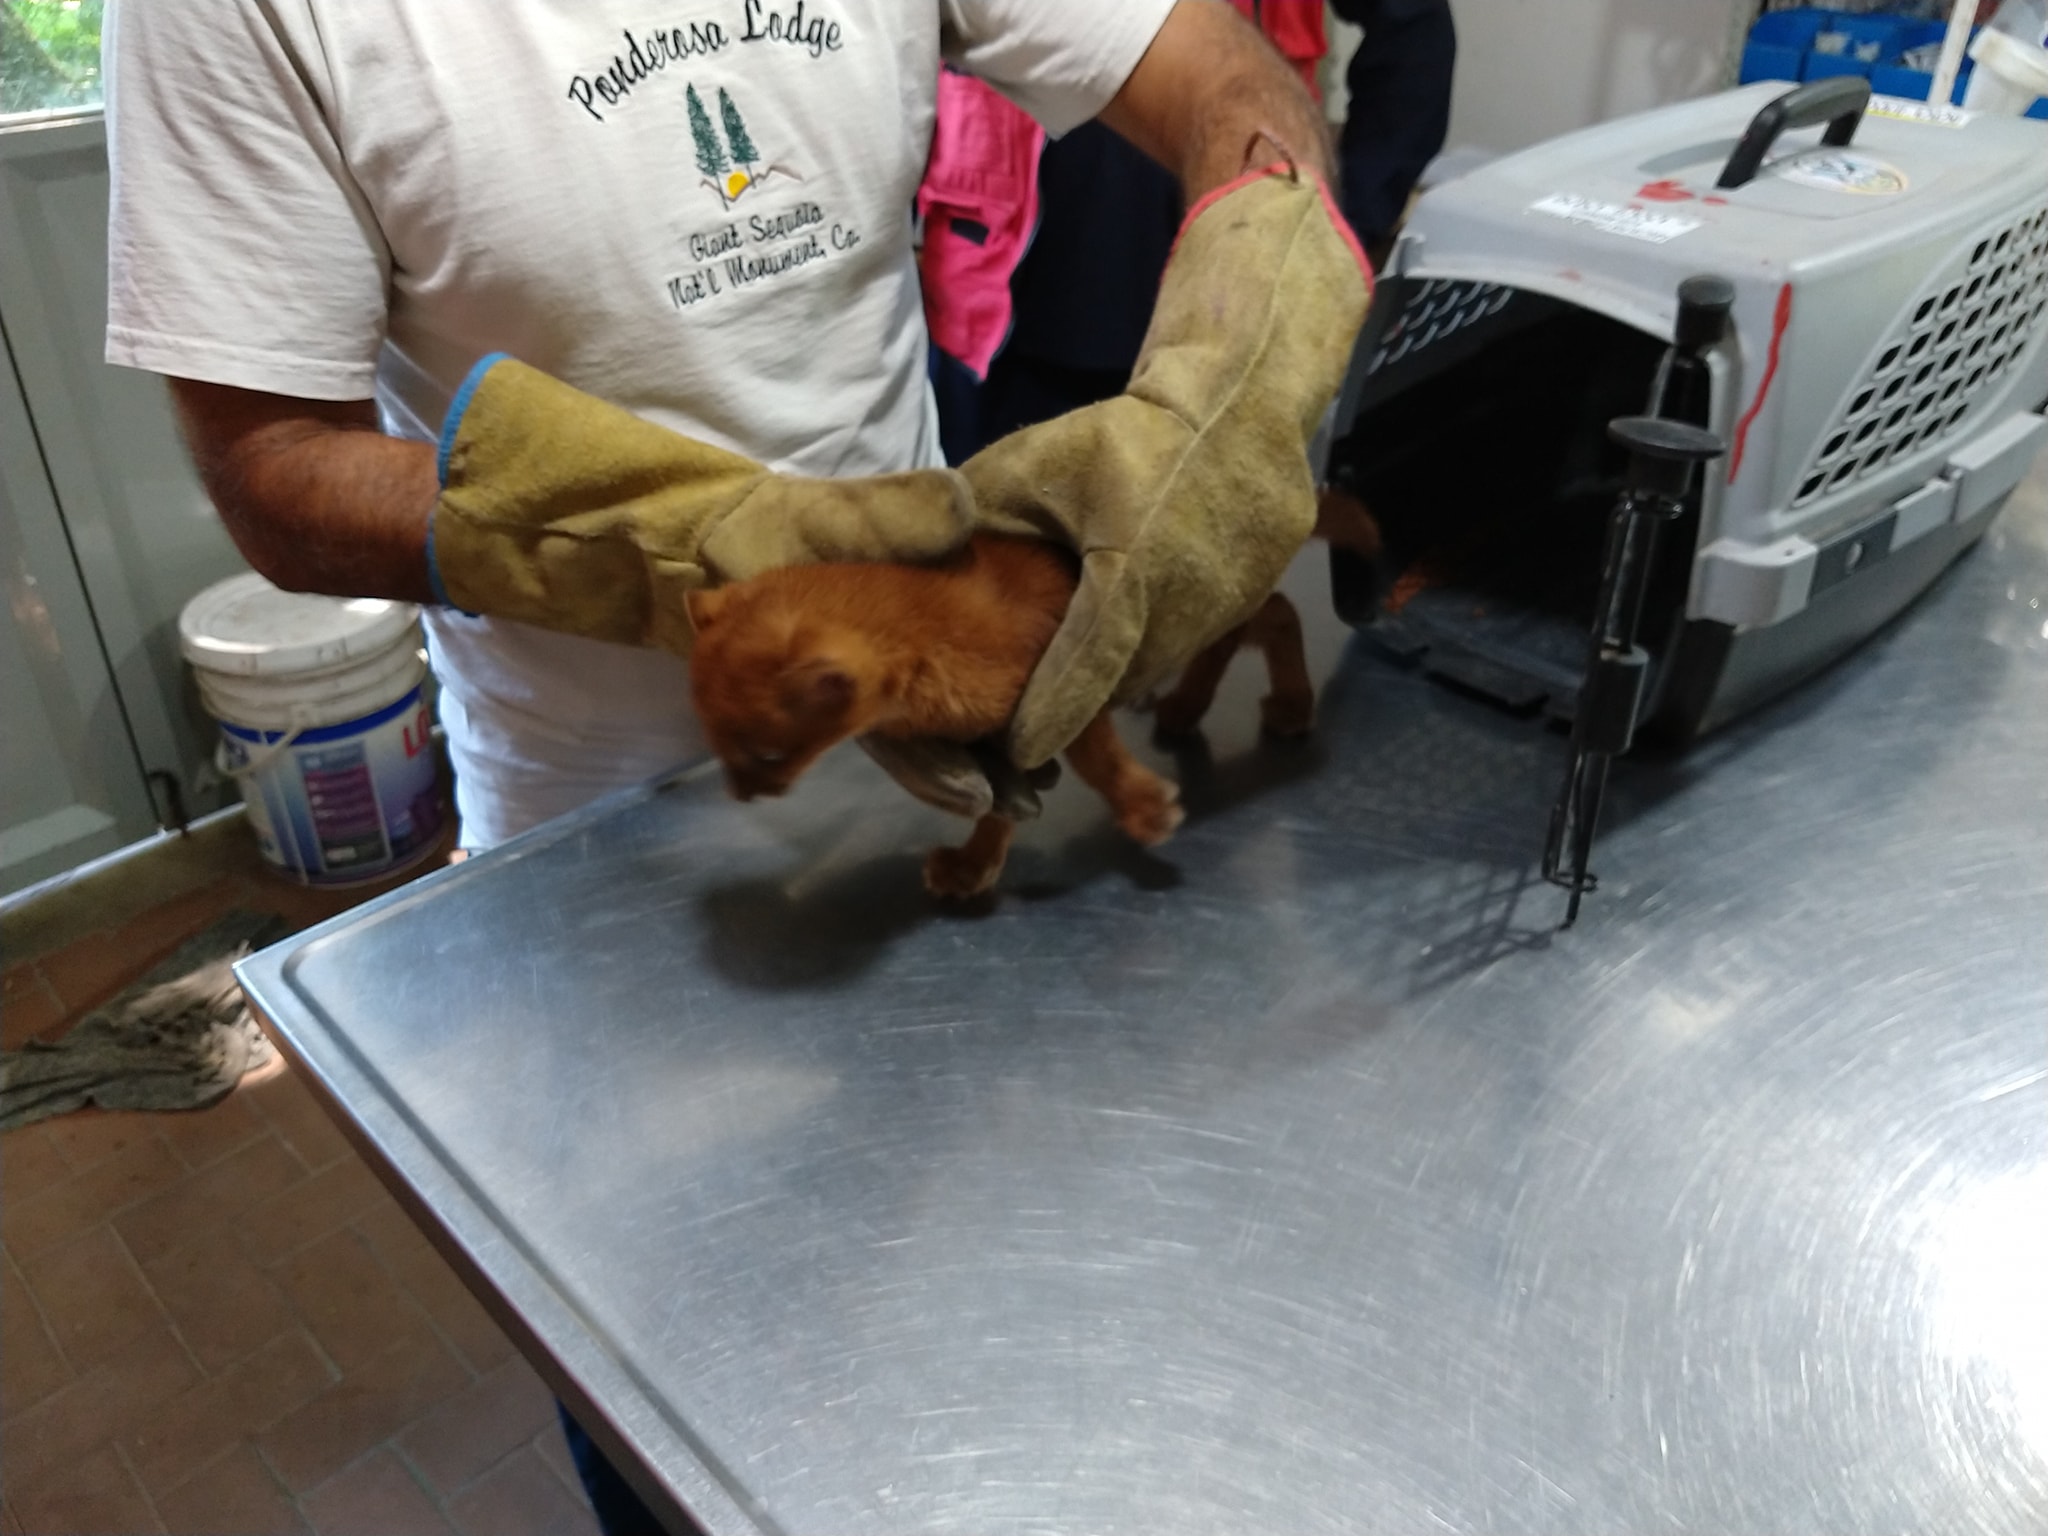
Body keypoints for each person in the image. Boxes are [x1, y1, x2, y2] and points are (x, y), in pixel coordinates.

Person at [104, 2, 1367, 1530]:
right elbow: (274, 469)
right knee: (681, 1398)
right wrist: (692, 549)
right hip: (597, 843)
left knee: (974, 1302)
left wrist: (1253, 317)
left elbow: (1217, 69)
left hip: (920, 750)